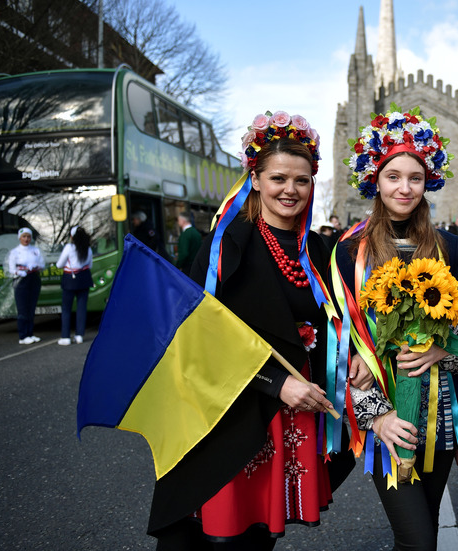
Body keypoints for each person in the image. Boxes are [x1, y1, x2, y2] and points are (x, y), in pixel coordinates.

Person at [148, 111, 354, 550]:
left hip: (291, 418)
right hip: (234, 412)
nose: (290, 190)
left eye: (301, 180)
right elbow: (196, 335)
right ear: (255, 179)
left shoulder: (318, 248)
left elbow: (339, 323)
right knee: (219, 536)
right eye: (278, 178)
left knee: (260, 536)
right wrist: (276, 383)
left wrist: (355, 361)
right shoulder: (225, 245)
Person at [335, 105, 458, 550]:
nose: (404, 187)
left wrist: (442, 352)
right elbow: (340, 346)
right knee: (417, 539)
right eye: (393, 176)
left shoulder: (450, 247)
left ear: (428, 181)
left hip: (441, 417)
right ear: (375, 179)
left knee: (421, 535)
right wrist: (375, 416)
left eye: (415, 177)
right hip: (387, 413)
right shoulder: (349, 250)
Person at [6, 227, 45, 344]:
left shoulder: (35, 250)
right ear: (19, 238)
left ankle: (30, 333)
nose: (26, 239)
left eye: (28, 237)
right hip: (21, 281)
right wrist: (18, 272)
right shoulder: (14, 252)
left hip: (33, 279)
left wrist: (36, 266)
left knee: (31, 308)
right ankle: (23, 335)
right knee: (23, 309)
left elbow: (42, 264)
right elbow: (10, 268)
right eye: (24, 236)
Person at [56, 226, 93, 345]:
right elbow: (90, 265)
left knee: (66, 309)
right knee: (81, 308)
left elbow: (59, 264)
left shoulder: (69, 247)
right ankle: (79, 335)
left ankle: (65, 337)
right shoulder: (88, 248)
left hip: (70, 279)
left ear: (72, 237)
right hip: (84, 278)